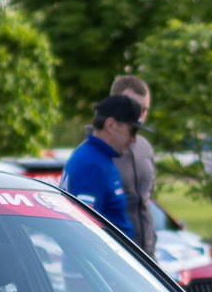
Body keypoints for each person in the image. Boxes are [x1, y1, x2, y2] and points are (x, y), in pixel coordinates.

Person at [59, 94, 141, 239]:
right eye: (132, 131)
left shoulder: (97, 158)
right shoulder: (92, 164)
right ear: (110, 125)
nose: (134, 139)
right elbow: (84, 230)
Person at [109, 74, 157, 256]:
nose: (140, 116)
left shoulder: (145, 147)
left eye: (145, 110)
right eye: (135, 108)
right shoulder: (96, 153)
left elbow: (146, 201)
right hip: (111, 262)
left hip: (146, 261)